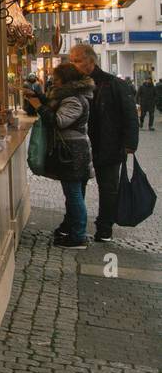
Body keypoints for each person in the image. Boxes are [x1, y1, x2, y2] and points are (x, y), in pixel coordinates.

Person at [66, 43, 138, 243]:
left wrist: (130, 143)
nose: (74, 64)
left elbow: (130, 115)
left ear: (91, 60)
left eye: (77, 60)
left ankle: (105, 227)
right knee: (76, 187)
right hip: (82, 146)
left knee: (108, 188)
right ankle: (71, 223)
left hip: (108, 145)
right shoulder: (73, 84)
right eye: (71, 60)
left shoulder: (113, 83)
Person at [27, 62, 95, 249]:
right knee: (74, 194)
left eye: (56, 79)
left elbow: (58, 121)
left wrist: (38, 106)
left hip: (73, 153)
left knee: (74, 195)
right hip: (72, 151)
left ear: (66, 80)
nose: (53, 82)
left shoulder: (73, 100)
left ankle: (78, 236)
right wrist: (39, 97)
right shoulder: (68, 96)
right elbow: (54, 105)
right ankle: (73, 231)